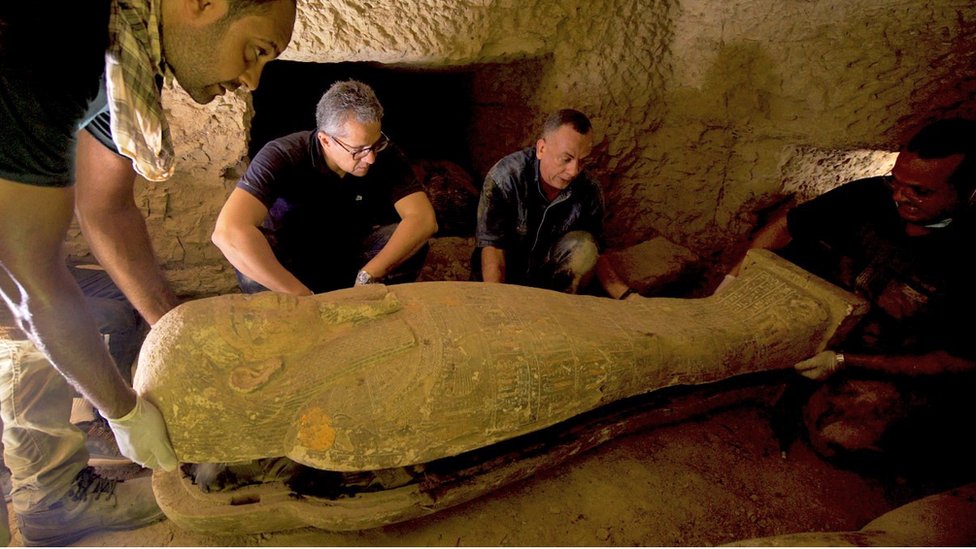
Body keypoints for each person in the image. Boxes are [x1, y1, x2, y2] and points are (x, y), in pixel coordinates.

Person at [0, 0, 297, 544]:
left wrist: (176, 329)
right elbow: (24, 275)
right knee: (24, 321)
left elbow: (105, 208)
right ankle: (50, 498)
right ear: (202, 5)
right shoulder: (51, 36)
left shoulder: (130, 56)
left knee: (88, 307)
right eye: (256, 51)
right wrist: (123, 410)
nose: (252, 80)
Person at [726, 118, 976, 475]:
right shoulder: (872, 196)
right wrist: (733, 282)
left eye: (920, 191)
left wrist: (846, 362)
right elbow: (785, 227)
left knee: (837, 436)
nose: (899, 196)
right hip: (831, 324)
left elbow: (956, 360)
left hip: (893, 361)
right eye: (896, 181)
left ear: (967, 192)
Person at [212, 79, 438, 295]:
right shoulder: (282, 155)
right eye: (358, 150)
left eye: (375, 144)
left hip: (350, 257)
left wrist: (369, 275)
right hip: (291, 265)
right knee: (248, 258)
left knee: (409, 242)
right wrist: (300, 294)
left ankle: (372, 312)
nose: (370, 158)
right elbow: (227, 231)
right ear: (326, 140)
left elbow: (423, 219)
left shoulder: (384, 155)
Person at [473, 109, 606, 294]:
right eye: (566, 159)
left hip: (551, 288)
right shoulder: (505, 178)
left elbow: (597, 252)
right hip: (505, 281)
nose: (574, 170)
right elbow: (492, 248)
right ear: (541, 149)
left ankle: (568, 304)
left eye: (582, 161)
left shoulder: (589, 189)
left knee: (584, 245)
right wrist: (497, 300)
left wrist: (626, 295)